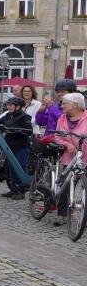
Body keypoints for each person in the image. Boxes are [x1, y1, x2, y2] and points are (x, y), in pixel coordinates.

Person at [52, 92, 87, 225]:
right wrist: (67, 144)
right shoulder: (62, 118)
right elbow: (57, 136)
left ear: (75, 105)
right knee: (66, 185)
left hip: (85, 156)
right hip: (69, 157)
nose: (62, 106)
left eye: (65, 103)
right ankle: (61, 215)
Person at [0, 96, 33, 200]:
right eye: (8, 105)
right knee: (10, 168)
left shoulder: (25, 117)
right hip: (9, 145)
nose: (8, 107)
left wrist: (20, 130)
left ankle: (21, 191)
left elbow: (29, 130)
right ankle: (13, 189)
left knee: (19, 168)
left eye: (11, 105)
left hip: (21, 146)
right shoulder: (8, 115)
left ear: (18, 107)